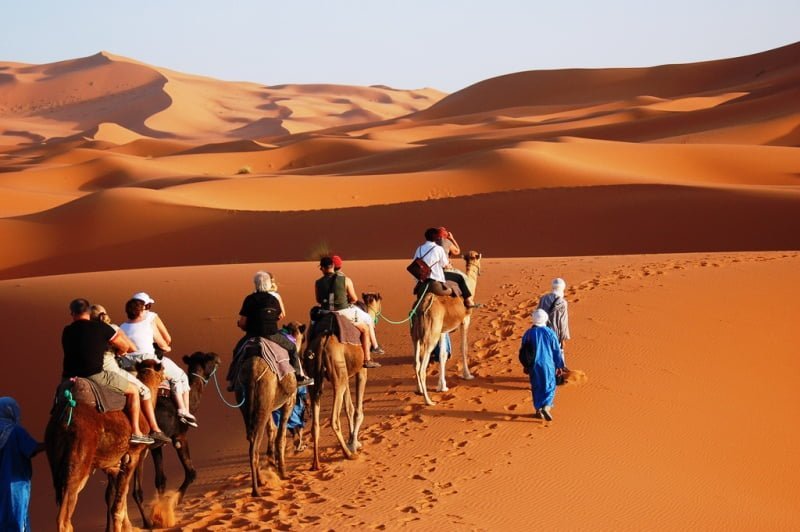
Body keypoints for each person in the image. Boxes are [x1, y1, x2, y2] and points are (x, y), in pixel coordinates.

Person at [61, 298, 155, 444]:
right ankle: (136, 432)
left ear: (72, 313)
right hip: (95, 375)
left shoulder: (66, 331)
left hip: (68, 377)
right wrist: (120, 352)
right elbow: (125, 346)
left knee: (59, 401)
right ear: (87, 312)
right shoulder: (101, 328)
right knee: (134, 391)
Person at [89, 305, 170, 444]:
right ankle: (151, 430)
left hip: (87, 370)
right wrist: (120, 352)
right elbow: (130, 348)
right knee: (144, 391)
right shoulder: (112, 329)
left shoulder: (86, 330)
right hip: (110, 369)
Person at [119, 299, 198, 428]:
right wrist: (166, 348)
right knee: (180, 376)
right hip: (148, 361)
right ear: (140, 311)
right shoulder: (148, 324)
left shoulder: (121, 327)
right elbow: (163, 344)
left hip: (128, 363)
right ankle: (183, 410)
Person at [230, 271, 314, 388]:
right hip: (271, 334)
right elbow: (280, 315)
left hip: (252, 334)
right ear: (268, 284)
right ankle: (298, 377)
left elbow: (243, 322)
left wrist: (241, 325)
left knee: (237, 351)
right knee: (292, 348)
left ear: (256, 284)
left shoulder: (249, 299)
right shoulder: (273, 299)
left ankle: (233, 380)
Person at [315, 256, 380, 368]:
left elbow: (318, 300)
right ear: (333, 266)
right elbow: (354, 298)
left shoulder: (318, 282)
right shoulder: (346, 280)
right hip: (343, 311)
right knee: (365, 329)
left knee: (312, 329)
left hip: (325, 312)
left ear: (323, 268)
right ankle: (367, 359)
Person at [0, 397, 43, 531]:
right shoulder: (16, 431)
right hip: (14, 486)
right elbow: (31, 449)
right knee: (16, 518)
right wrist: (51, 444)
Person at [519, 309, 565, 421]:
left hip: (533, 365)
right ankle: (546, 406)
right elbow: (556, 350)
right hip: (548, 364)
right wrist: (560, 365)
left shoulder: (528, 333)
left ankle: (538, 409)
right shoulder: (549, 332)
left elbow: (523, 350)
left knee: (536, 386)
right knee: (550, 385)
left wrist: (526, 366)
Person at [332, 257, 384, 356]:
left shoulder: (321, 281)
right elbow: (354, 298)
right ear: (340, 266)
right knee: (368, 319)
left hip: (326, 310)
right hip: (343, 309)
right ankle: (374, 347)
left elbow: (319, 298)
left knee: (313, 324)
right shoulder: (345, 280)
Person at [436, 227, 476, 307]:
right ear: (445, 235)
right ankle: (467, 300)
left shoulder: (433, 243)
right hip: (445, 269)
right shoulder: (446, 242)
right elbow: (457, 251)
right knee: (463, 277)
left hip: (432, 271)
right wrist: (452, 238)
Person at [536, 278, 571, 369]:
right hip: (555, 331)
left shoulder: (543, 298)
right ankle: (560, 370)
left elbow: (538, 313)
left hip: (542, 329)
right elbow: (563, 322)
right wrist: (563, 337)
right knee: (558, 351)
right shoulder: (562, 302)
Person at [131, 292, 172, 357]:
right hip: (149, 356)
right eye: (148, 306)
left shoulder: (125, 324)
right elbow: (167, 339)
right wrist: (165, 348)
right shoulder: (151, 317)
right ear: (143, 307)